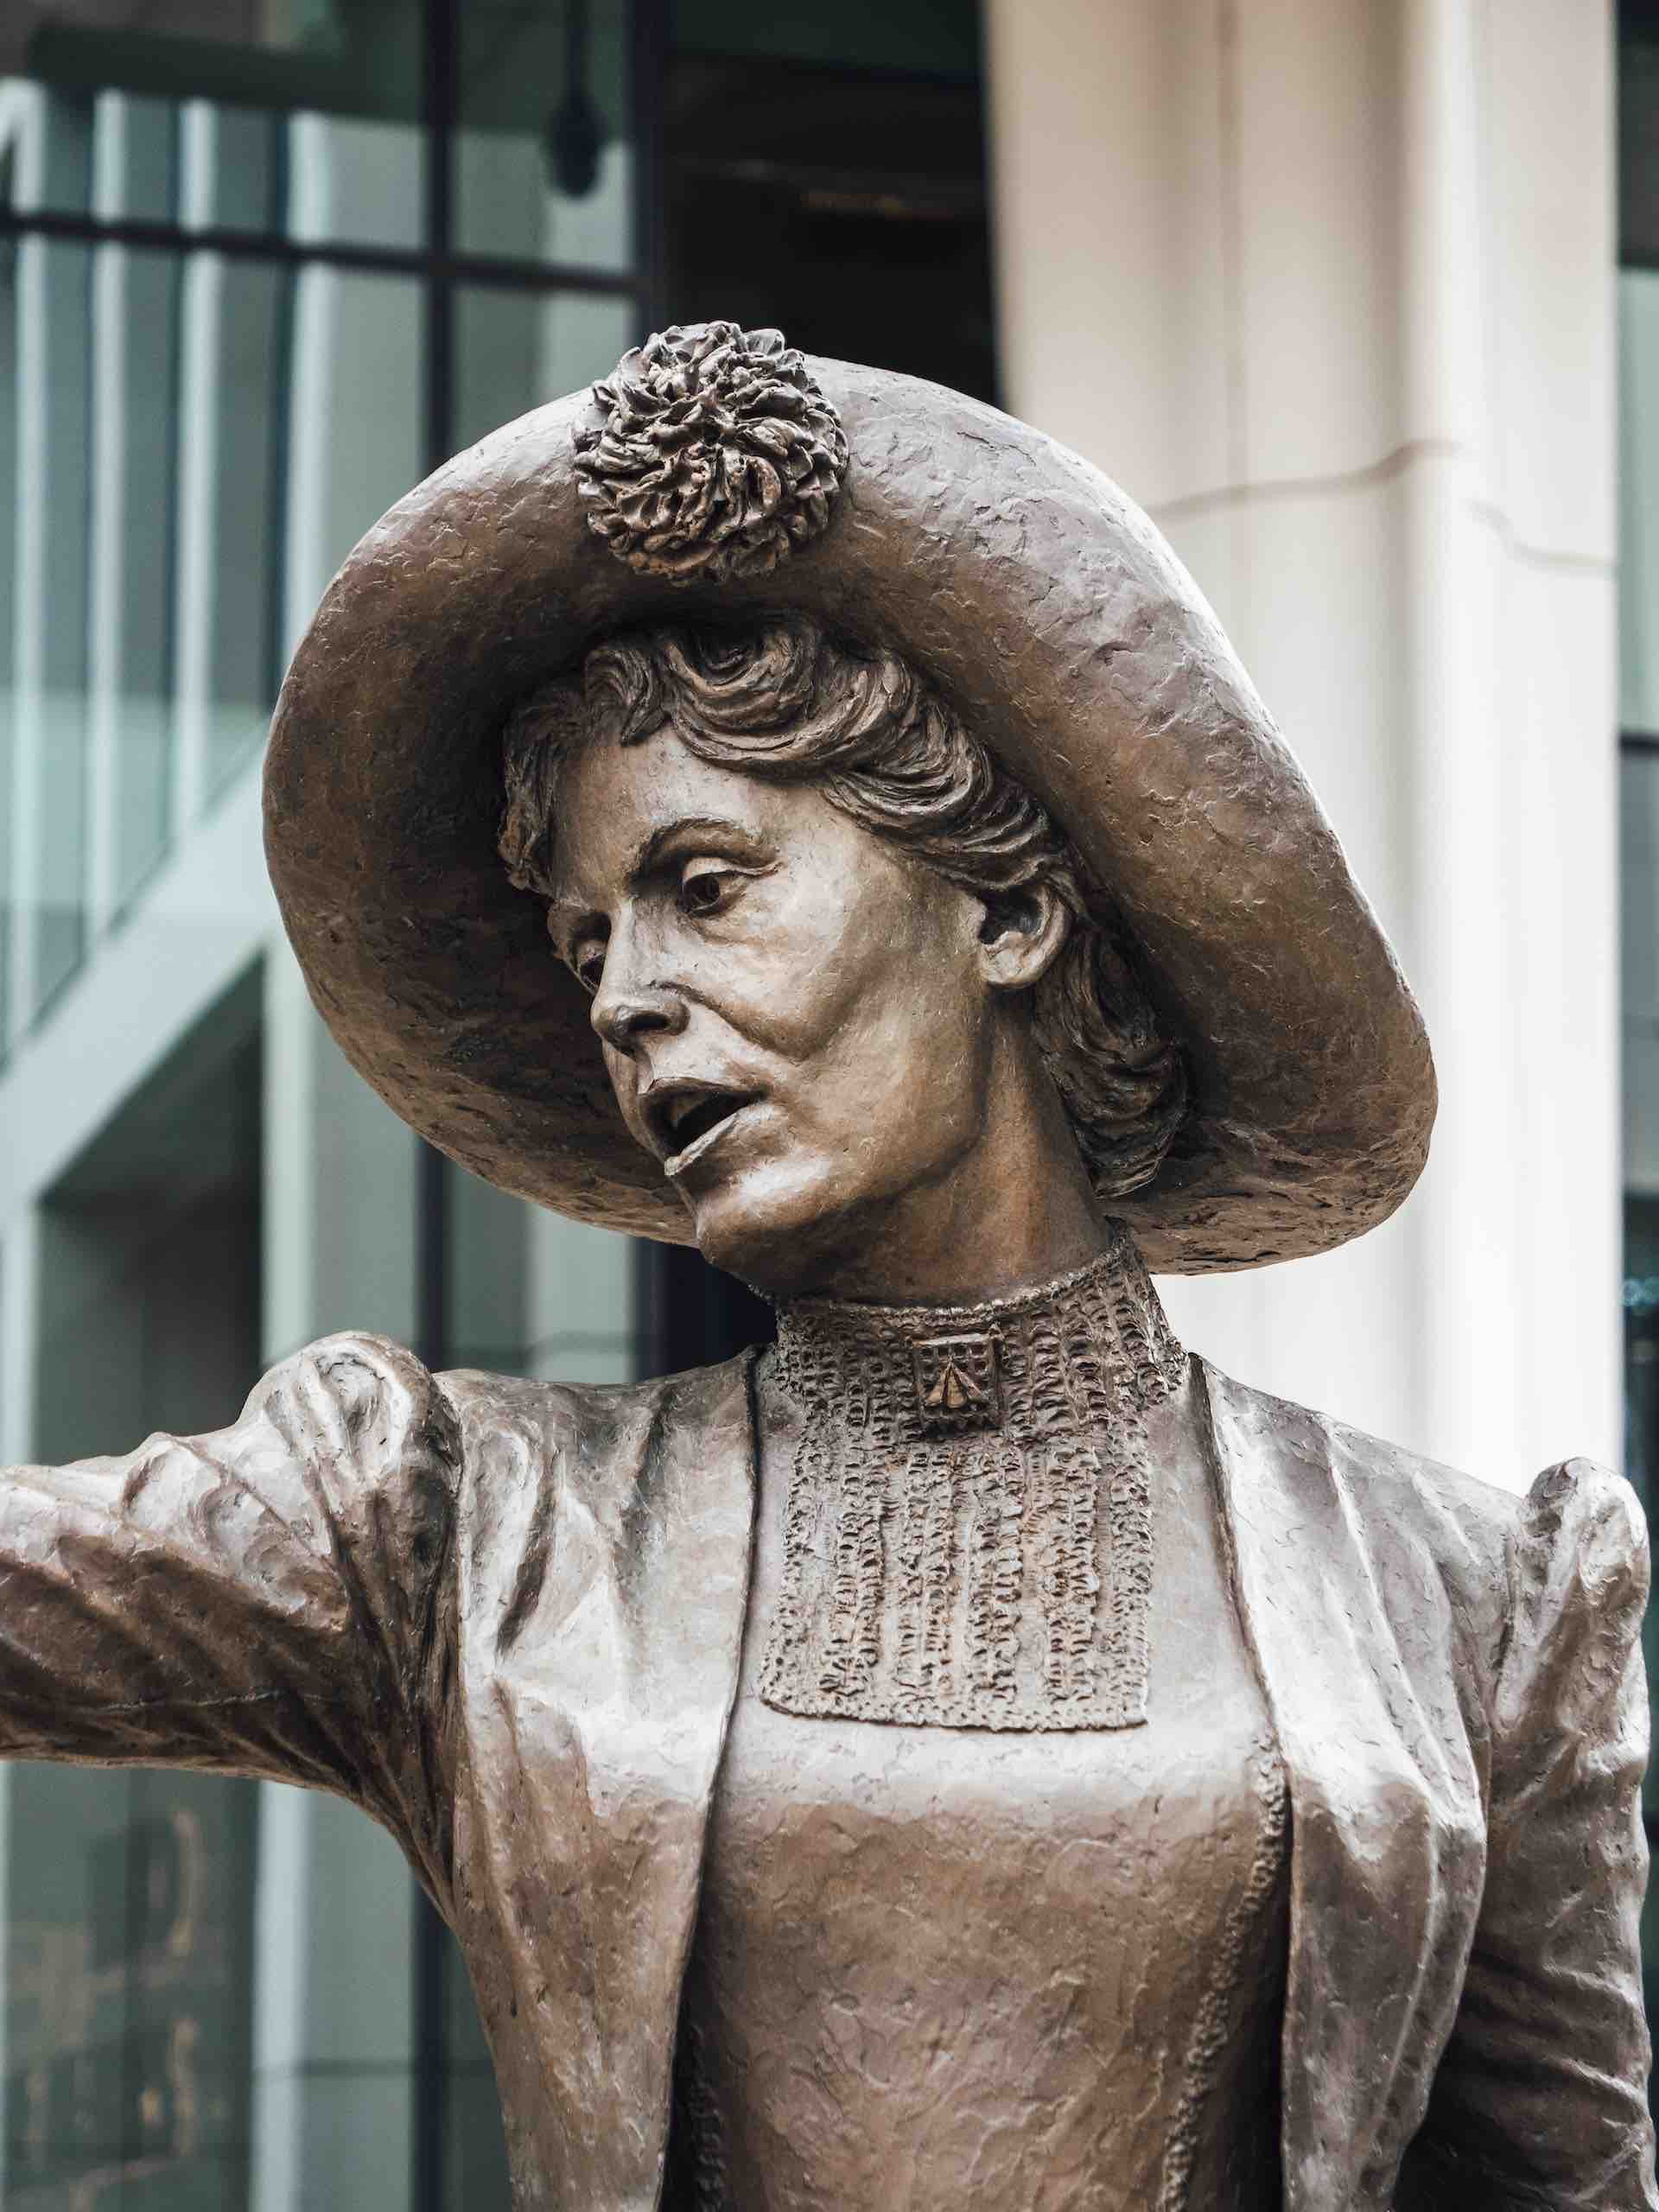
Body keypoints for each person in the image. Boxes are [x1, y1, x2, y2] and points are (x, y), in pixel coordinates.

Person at [4, 321, 1652, 2209]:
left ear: (1006, 908)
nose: (625, 999)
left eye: (704, 887)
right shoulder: (455, 1527)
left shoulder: (1472, 1601)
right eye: (588, 943)